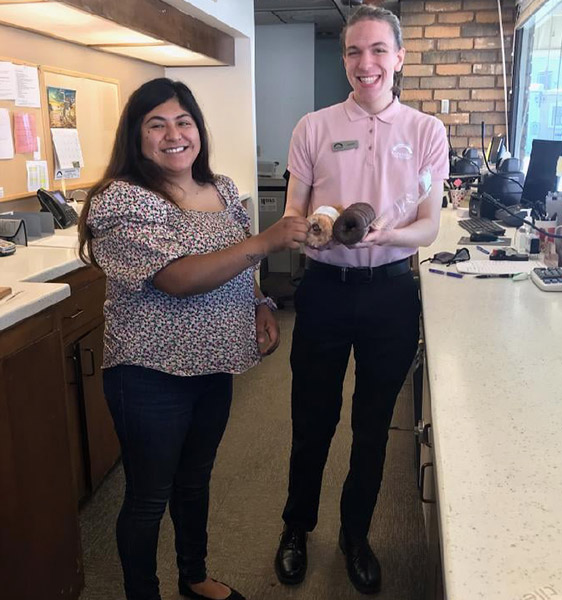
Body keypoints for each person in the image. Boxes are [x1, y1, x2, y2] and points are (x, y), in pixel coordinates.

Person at [78, 77, 308, 600]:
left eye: (183, 122)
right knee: (147, 497)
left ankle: (194, 575)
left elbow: (234, 261)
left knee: (194, 482)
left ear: (198, 130)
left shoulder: (223, 188)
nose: (173, 134)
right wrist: (266, 239)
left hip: (213, 368)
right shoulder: (120, 201)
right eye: (155, 125)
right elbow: (178, 278)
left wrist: (257, 303)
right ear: (135, 137)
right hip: (148, 376)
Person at [274, 5, 449, 595]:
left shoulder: (426, 132)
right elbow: (292, 210)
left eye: (378, 50)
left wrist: (389, 235)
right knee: (312, 420)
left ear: (399, 58)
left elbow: (430, 226)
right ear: (344, 58)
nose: (365, 63)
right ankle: (296, 528)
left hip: (391, 294)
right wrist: (311, 224)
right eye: (354, 51)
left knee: (373, 426)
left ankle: (355, 534)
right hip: (325, 291)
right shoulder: (314, 127)